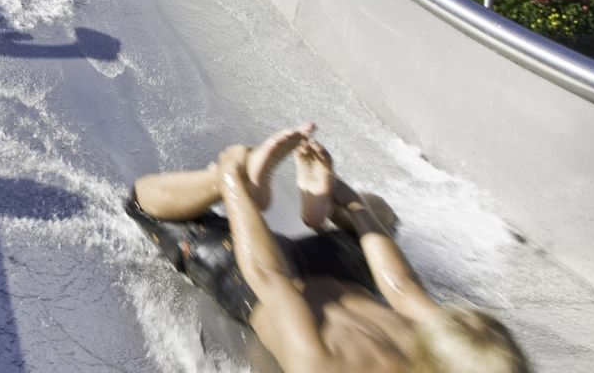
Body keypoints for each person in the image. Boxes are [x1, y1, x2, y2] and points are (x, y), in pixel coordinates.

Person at [127, 124, 529, 373]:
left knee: (143, 202)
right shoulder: (451, 346)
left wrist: (233, 183)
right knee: (383, 218)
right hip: (297, 275)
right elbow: (401, 286)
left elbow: (271, 278)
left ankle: (314, 199)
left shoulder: (324, 367)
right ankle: (323, 202)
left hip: (260, 278)